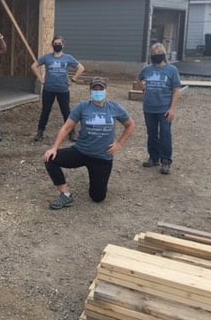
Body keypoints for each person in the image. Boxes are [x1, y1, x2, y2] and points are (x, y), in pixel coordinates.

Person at [42, 77, 135, 210]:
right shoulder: (82, 107)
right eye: (95, 89)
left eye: (100, 89)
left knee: (98, 197)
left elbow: (130, 125)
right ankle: (65, 194)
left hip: (102, 158)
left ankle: (97, 181)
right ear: (90, 91)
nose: (98, 92)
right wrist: (54, 148)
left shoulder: (114, 108)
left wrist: (119, 144)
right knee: (49, 159)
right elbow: (67, 127)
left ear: (106, 90)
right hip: (81, 152)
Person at [138, 43, 182, 174]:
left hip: (164, 108)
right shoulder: (147, 70)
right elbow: (139, 79)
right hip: (149, 108)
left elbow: (176, 90)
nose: (158, 55)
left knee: (165, 134)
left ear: (164, 54)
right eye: (155, 53)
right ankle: (153, 157)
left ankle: (166, 161)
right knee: (151, 134)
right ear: (152, 55)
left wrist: (172, 108)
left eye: (160, 53)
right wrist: (144, 89)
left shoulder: (172, 70)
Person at [31, 36, 85, 142]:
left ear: (63, 45)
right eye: (55, 43)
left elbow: (81, 68)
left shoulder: (68, 57)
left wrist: (73, 79)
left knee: (66, 112)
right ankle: (40, 132)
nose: (57, 45)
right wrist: (41, 79)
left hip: (63, 89)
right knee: (45, 111)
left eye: (59, 43)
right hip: (48, 89)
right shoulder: (47, 57)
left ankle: (71, 132)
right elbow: (33, 66)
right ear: (52, 45)